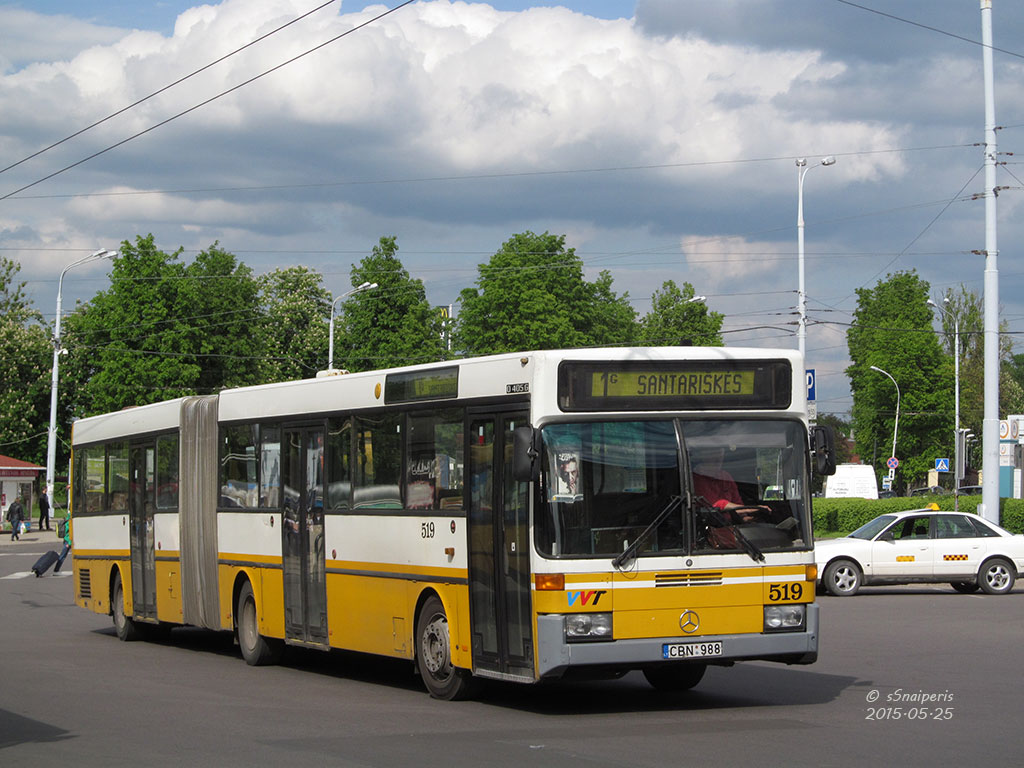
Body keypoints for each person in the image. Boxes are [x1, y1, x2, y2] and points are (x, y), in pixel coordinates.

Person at [691, 447, 768, 524]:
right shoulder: (695, 479)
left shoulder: (726, 477)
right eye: (714, 459)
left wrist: (746, 518)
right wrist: (750, 509)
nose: (718, 460)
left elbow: (737, 502)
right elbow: (716, 504)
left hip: (730, 529)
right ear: (703, 456)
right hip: (707, 530)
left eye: (720, 458)